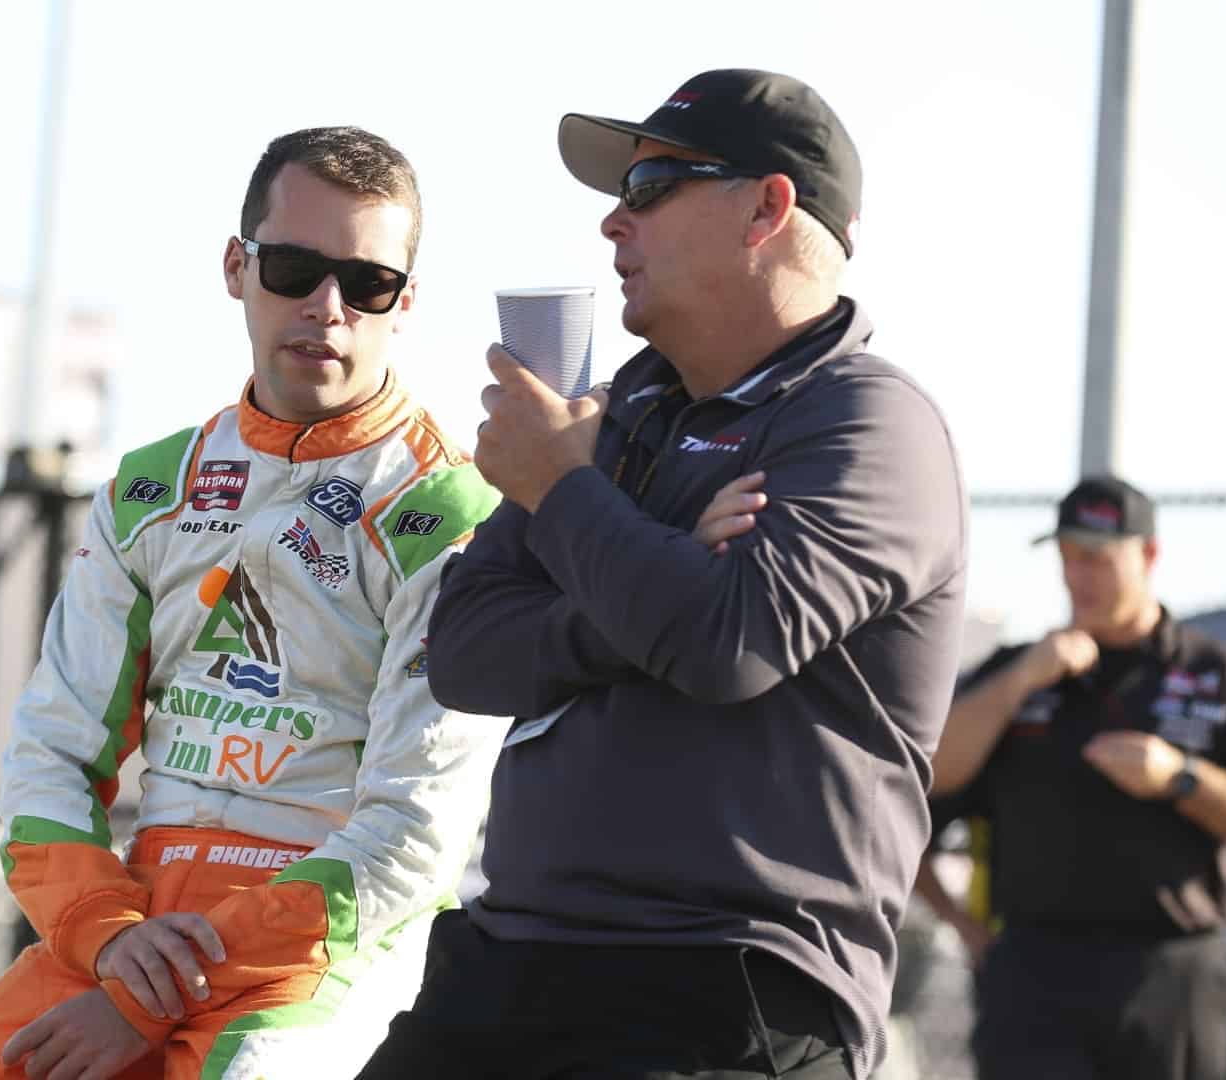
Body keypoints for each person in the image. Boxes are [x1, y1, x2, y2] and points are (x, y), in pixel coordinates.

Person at [358, 69, 968, 1080]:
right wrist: (654, 564)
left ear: (767, 209)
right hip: (509, 955)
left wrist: (565, 494)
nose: (612, 221)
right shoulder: (618, 413)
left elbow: (724, 643)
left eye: (650, 186)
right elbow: (462, 651)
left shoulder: (869, 421)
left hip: (730, 984)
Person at [0, 126, 506, 1080]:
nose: (327, 309)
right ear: (238, 268)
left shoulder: (448, 511)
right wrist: (111, 939)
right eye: (295, 269)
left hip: (331, 939)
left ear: (404, 303)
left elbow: (415, 834)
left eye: (367, 284)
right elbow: (50, 756)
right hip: (136, 927)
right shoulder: (150, 490)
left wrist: (145, 998)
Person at [928, 474, 1226, 1080]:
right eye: (1067, 556)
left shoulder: (1219, 675)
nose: (1077, 576)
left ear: (1149, 554)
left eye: (1097, 558)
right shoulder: (1018, 672)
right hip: (1034, 975)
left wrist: (1182, 778)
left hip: (1175, 976)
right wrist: (1020, 681)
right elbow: (923, 783)